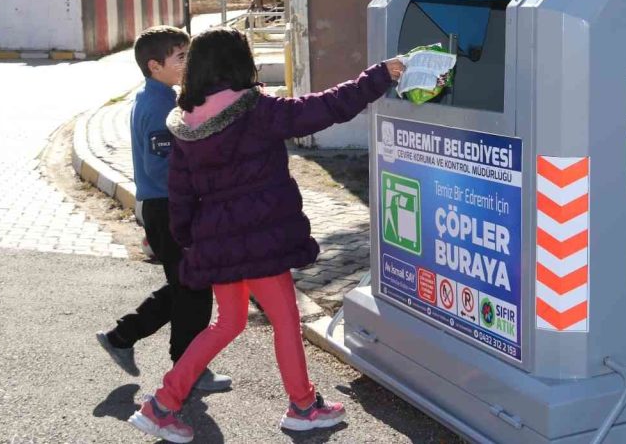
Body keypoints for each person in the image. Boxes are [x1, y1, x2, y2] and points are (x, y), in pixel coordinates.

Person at [128, 27, 405, 442]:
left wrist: (189, 240)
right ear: (238, 64)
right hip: (259, 242)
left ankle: (162, 405)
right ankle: (303, 407)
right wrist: (378, 76)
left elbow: (180, 193)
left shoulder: (186, 122)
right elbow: (325, 108)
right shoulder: (256, 110)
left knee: (227, 323)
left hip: (217, 243)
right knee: (286, 322)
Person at [96, 26, 231, 393]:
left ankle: (122, 337)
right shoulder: (158, 107)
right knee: (194, 289)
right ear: (155, 65)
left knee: (185, 284)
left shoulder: (158, 98)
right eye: (181, 57)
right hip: (170, 207)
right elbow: (164, 167)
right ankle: (187, 372)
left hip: (162, 207)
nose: (188, 63)